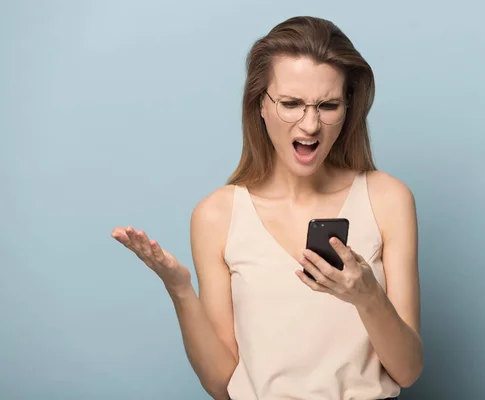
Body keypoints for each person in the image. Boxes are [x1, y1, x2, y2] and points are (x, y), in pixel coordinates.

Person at [111, 16, 423, 400]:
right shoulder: (217, 215)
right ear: (260, 104)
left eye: (328, 105)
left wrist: (368, 297)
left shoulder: (388, 199)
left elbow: (407, 371)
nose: (310, 125)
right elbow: (221, 383)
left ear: (348, 109)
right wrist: (180, 291)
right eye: (291, 104)